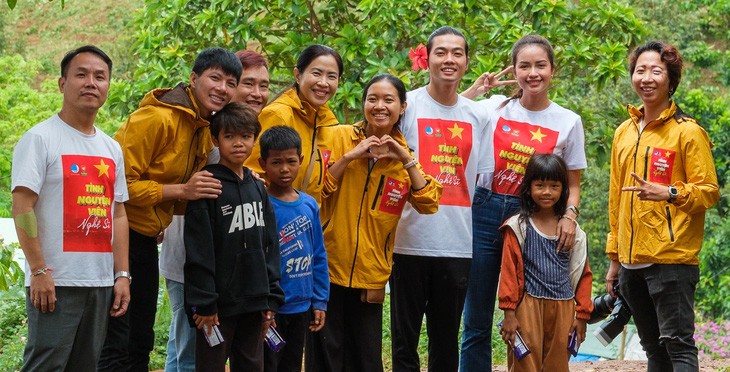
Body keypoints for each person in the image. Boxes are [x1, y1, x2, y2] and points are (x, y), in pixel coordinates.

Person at [99, 47, 242, 371]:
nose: (222, 88)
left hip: (147, 237)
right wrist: (181, 191)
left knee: (140, 339)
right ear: (194, 79)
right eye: (215, 78)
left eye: (230, 82)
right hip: (117, 238)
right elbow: (115, 185)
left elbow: (173, 187)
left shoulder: (203, 128)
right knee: (117, 340)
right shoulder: (157, 117)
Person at [458, 34, 587, 372]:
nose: (533, 73)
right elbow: (449, 113)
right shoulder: (494, 107)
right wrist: (476, 91)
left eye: (540, 65)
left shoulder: (567, 121)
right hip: (485, 210)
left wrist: (569, 217)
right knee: (478, 315)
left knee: (527, 310)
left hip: (532, 221)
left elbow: (573, 184)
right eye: (524, 66)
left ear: (552, 70)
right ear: (514, 70)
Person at [309, 74, 442, 372]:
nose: (379, 106)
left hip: (370, 276)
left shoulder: (403, 158)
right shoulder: (337, 137)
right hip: (327, 269)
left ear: (402, 107)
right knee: (325, 358)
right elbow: (315, 190)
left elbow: (429, 202)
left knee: (365, 360)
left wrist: (405, 158)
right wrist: (350, 157)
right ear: (364, 103)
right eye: (373, 99)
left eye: (388, 100)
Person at [11, 45, 130, 371]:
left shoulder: (111, 147)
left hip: (100, 283)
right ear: (63, 84)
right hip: (56, 281)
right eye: (81, 74)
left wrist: (122, 275)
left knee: (86, 366)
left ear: (108, 85)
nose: (91, 82)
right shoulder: (40, 139)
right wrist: (38, 271)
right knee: (45, 365)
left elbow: (118, 213)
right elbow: (22, 206)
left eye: (100, 76)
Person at [605, 41, 720, 371]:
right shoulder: (623, 133)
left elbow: (709, 192)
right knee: (653, 350)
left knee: (679, 347)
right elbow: (616, 198)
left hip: (672, 260)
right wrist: (614, 258)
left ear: (671, 79)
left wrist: (670, 192)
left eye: (656, 70)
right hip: (630, 263)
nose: (647, 78)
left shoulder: (688, 132)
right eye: (640, 70)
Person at [160, 49, 270, 372]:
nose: (256, 92)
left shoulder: (242, 155)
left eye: (263, 85)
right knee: (191, 353)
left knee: (183, 347)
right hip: (193, 264)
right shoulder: (202, 127)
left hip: (232, 279)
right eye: (247, 83)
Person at [390, 26, 492, 372]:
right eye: (441, 52)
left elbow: (482, 177)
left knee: (446, 343)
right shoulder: (407, 107)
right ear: (428, 59)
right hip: (408, 241)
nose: (449, 59)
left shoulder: (479, 115)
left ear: (466, 62)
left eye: (457, 53)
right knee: (404, 343)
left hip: (456, 243)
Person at [184, 102, 284, 371]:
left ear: (254, 139)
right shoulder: (207, 185)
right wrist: (204, 302)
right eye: (229, 136)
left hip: (254, 300)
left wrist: (271, 297)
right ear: (215, 139)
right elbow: (198, 249)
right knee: (211, 365)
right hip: (217, 306)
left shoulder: (258, 187)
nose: (238, 144)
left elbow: (270, 244)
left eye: (245, 136)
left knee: (253, 365)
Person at [498, 153, 593, 372]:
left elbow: (582, 273)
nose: (547, 192)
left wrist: (582, 315)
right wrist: (509, 314)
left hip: (564, 307)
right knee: (524, 365)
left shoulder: (573, 233)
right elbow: (509, 273)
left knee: (558, 365)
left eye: (554, 186)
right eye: (539, 185)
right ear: (529, 187)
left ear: (563, 190)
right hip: (527, 307)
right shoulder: (518, 227)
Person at [257, 126, 329, 372]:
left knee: (291, 363)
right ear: (263, 163)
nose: (284, 169)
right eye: (276, 162)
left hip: (302, 306)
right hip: (272, 308)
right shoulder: (262, 204)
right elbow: (258, 258)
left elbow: (318, 255)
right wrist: (265, 305)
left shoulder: (309, 204)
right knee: (268, 365)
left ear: (301, 160)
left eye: (290, 161)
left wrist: (320, 301)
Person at [245, 44, 343, 203]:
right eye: (317, 73)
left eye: (331, 76)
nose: (323, 83)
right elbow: (253, 176)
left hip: (306, 220)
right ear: (298, 75)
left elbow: (317, 186)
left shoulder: (325, 123)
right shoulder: (278, 114)